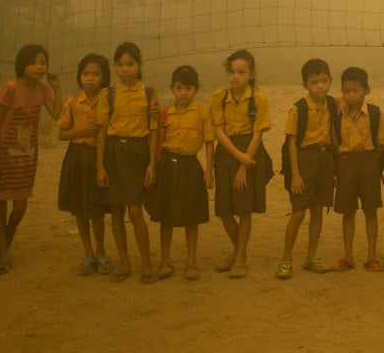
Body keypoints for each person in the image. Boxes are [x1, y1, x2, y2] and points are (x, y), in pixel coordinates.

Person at [0, 43, 62, 275]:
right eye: (34, 62)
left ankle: (3, 243)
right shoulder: (9, 89)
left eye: (42, 62)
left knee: (19, 205)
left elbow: (57, 115)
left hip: (26, 155)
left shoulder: (43, 89)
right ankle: (4, 254)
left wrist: (57, 88)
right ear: (22, 65)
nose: (39, 67)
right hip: (1, 152)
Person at [95, 41, 159, 283]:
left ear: (139, 65)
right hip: (113, 154)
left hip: (138, 153)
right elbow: (101, 131)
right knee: (116, 211)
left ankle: (146, 262)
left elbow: (153, 131)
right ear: (115, 67)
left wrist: (152, 164)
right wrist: (100, 166)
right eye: (120, 65)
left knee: (135, 210)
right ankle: (124, 261)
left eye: (130, 64)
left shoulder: (149, 94)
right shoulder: (107, 94)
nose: (124, 69)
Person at [209, 48, 272, 278]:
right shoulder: (219, 97)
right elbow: (218, 130)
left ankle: (239, 259)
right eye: (232, 71)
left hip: (250, 152)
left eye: (242, 72)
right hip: (227, 152)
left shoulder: (258, 99)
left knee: (245, 209)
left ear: (251, 74)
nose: (236, 76)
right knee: (224, 210)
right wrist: (238, 157)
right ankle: (239, 251)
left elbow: (258, 134)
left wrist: (244, 165)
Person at [149, 65, 215, 281]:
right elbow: (155, 142)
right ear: (172, 88)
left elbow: (208, 143)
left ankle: (191, 263)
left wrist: (208, 171)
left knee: (191, 217)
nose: (183, 93)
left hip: (190, 167)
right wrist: (153, 168)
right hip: (168, 166)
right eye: (179, 88)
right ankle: (165, 261)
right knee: (165, 217)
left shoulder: (202, 112)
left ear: (196, 88)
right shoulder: (165, 114)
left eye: (188, 88)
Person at [276, 58, 337, 279]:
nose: (320, 86)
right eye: (314, 82)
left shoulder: (332, 103)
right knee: (298, 212)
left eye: (324, 81)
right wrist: (295, 175)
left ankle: (311, 257)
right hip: (304, 160)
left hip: (325, 159)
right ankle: (286, 259)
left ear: (330, 80)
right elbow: (291, 143)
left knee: (318, 209)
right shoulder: (298, 109)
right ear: (305, 85)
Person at [56, 54, 110, 276]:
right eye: (86, 73)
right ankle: (88, 254)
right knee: (79, 209)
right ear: (80, 76)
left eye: (96, 74)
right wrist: (81, 132)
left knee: (96, 209)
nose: (90, 78)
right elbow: (61, 134)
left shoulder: (108, 99)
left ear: (104, 77)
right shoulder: (73, 102)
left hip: (99, 157)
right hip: (77, 157)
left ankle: (101, 252)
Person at [332, 66, 384, 272]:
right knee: (348, 211)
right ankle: (348, 256)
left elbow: (381, 142)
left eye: (356, 91)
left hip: (368, 164)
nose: (351, 95)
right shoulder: (337, 112)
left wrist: (372, 163)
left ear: (367, 90)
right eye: (346, 91)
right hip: (345, 164)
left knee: (370, 211)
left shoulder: (374, 113)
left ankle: (372, 256)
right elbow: (334, 141)